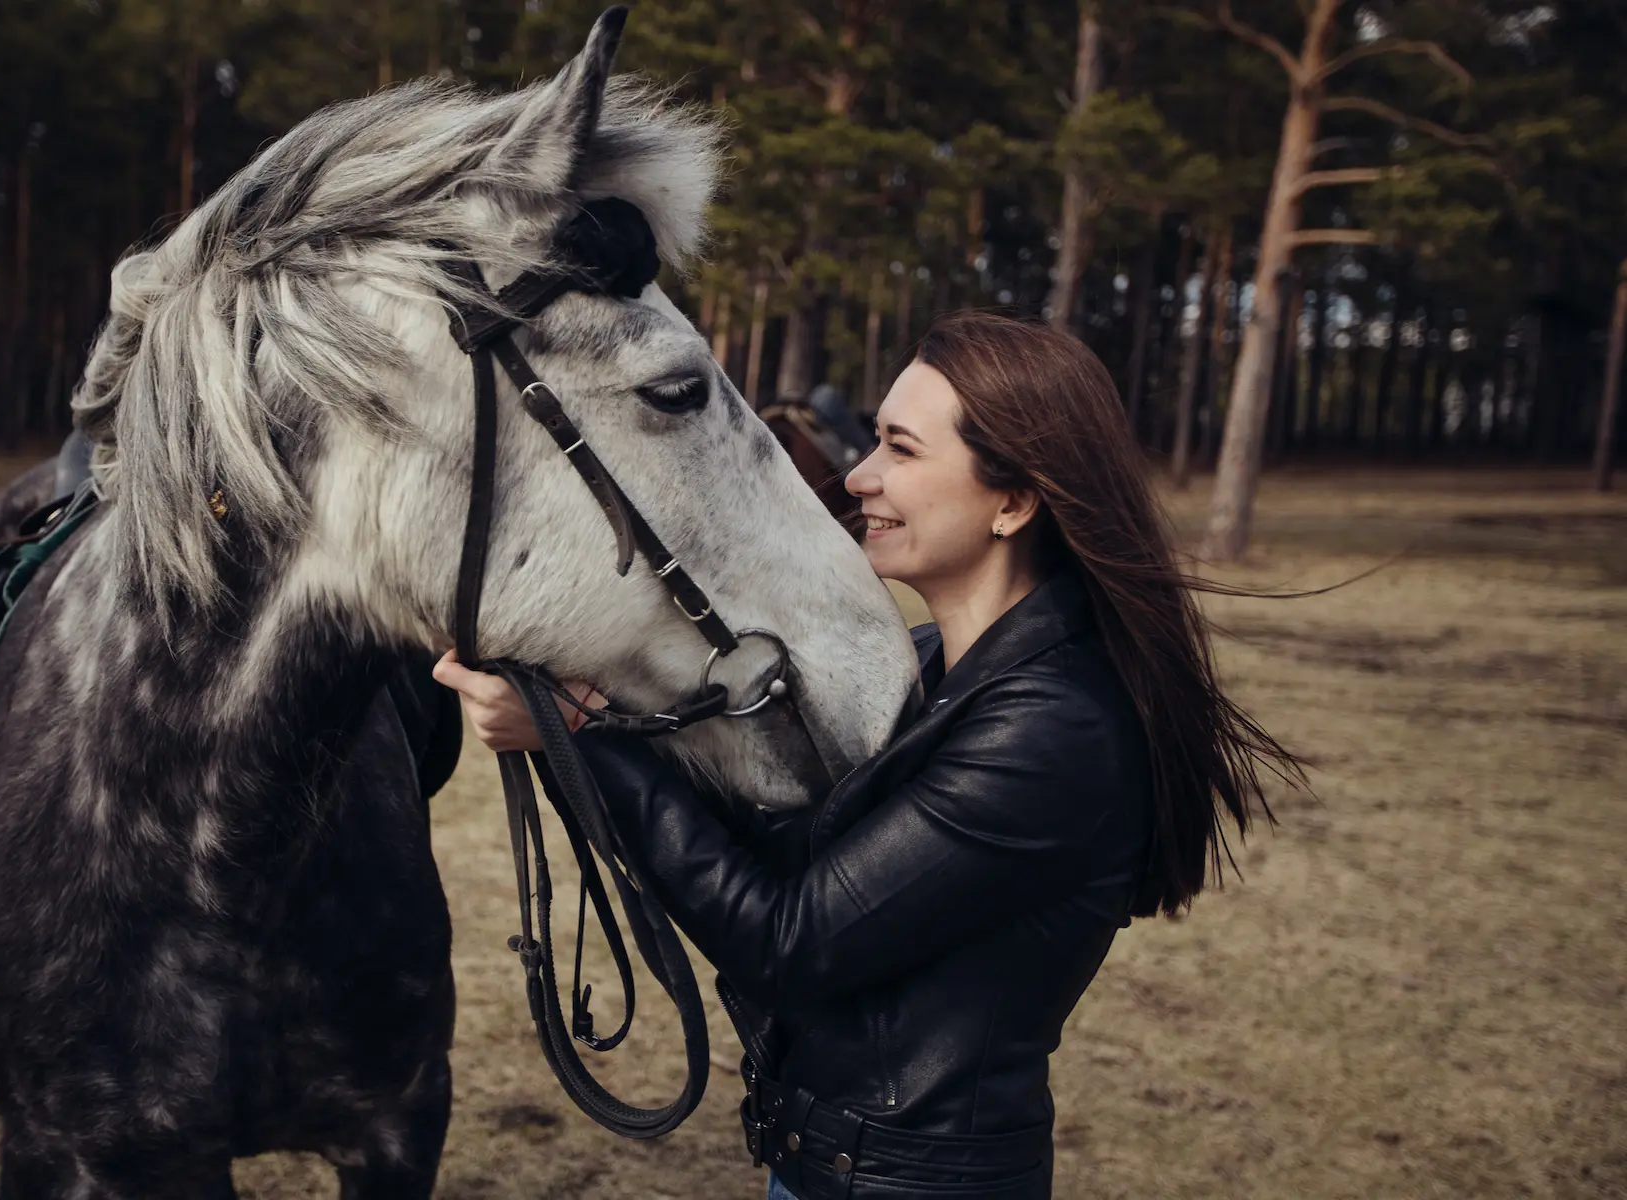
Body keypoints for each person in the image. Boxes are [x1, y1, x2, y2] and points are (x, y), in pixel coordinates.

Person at [434, 312, 1300, 1199]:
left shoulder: (1053, 729)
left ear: (1014, 501)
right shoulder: (933, 669)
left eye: (900, 449)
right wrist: (589, 718)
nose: (858, 475)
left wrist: (584, 748)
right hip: (831, 1171)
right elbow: (786, 843)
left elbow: (790, 940)